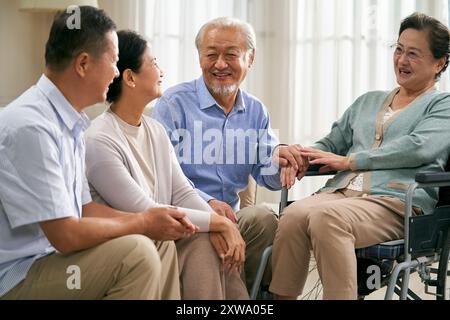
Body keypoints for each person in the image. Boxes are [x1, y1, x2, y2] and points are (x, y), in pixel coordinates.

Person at [0, 6, 197, 300]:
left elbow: (85, 210)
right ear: (83, 64)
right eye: (114, 62)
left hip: (51, 258)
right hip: (19, 275)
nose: (117, 72)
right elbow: (66, 235)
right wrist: (142, 222)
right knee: (138, 252)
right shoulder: (32, 127)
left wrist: (151, 219)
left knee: (157, 242)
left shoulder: (71, 123)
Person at [270, 12, 450, 300]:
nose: (402, 60)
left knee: (327, 219)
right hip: (340, 195)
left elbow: (420, 147)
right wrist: (300, 155)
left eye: (414, 54)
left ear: (439, 63)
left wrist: (352, 161)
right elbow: (332, 143)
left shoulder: (442, 105)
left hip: (394, 202)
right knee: (292, 216)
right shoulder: (367, 101)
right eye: (399, 49)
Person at [84, 30, 248, 299]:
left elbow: (182, 192)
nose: (161, 70)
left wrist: (219, 224)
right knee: (207, 239)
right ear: (129, 78)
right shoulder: (99, 140)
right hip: (130, 245)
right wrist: (220, 224)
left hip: (163, 235)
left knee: (210, 242)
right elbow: (145, 210)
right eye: (154, 62)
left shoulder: (156, 130)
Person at [151, 16, 298, 292]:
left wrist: (283, 162)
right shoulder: (174, 104)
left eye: (231, 55)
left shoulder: (256, 111)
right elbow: (160, 178)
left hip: (232, 217)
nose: (220, 64)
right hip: (186, 216)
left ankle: (256, 292)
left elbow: (268, 174)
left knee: (264, 219)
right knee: (209, 236)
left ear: (250, 59)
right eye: (211, 55)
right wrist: (204, 204)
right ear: (200, 59)